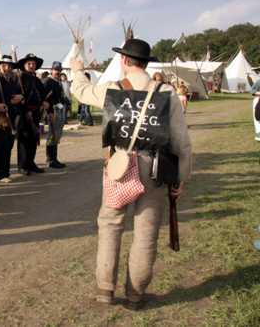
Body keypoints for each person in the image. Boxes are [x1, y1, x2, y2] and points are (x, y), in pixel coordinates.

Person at [70, 38, 192, 308]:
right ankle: (135, 295)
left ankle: (105, 289)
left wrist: (77, 69)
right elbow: (181, 141)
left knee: (110, 226)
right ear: (145, 63)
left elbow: (81, 91)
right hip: (155, 168)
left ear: (124, 61)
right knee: (145, 234)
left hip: (120, 166)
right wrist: (180, 177)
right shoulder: (167, 92)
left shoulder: (113, 88)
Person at [0, 55, 23, 182]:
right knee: (0, 145)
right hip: (0, 117)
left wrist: (20, 97)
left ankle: (6, 171)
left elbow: (21, 93)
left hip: (13, 115)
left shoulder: (14, 79)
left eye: (9, 66)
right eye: (4, 65)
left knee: (9, 144)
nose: (7, 68)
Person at [17, 53, 47, 175]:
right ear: (24, 65)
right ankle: (23, 165)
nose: (31, 65)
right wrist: (25, 111)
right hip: (24, 113)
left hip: (35, 112)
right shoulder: (20, 78)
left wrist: (45, 102)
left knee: (33, 138)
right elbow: (19, 96)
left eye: (33, 64)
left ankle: (31, 163)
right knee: (24, 139)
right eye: (29, 63)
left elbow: (42, 93)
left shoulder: (36, 79)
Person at [42, 61, 67, 169]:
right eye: (55, 70)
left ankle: (54, 158)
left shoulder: (58, 82)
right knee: (52, 135)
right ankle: (50, 159)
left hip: (59, 109)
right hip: (52, 111)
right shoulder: (48, 81)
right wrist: (49, 112)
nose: (57, 72)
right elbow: (44, 99)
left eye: (59, 70)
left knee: (56, 135)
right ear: (51, 70)